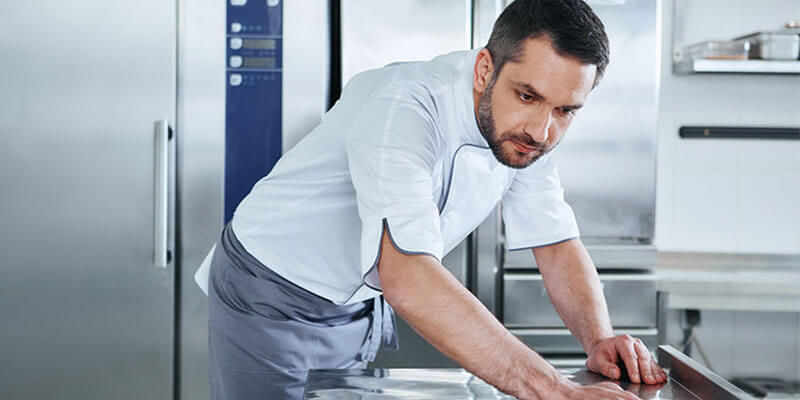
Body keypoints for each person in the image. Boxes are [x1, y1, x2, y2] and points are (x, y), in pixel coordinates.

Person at [201, 0, 667, 398]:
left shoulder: (528, 129)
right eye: (528, 96)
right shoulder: (405, 107)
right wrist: (553, 389)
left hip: (356, 304)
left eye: (566, 110)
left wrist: (598, 339)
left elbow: (556, 241)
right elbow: (406, 278)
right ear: (486, 68)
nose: (544, 130)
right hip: (271, 294)